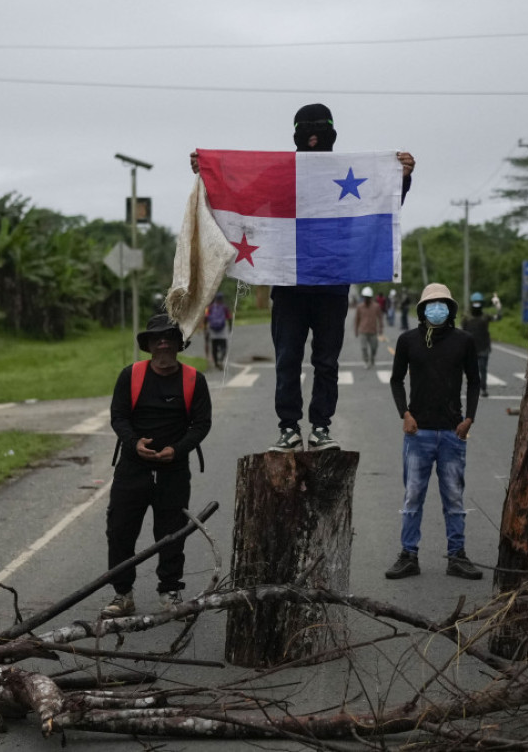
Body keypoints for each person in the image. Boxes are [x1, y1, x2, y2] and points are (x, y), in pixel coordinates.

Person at [191, 104, 415, 453]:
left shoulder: (350, 172)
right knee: (288, 361)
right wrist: (209, 173)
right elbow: (242, 196)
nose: (313, 136)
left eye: (319, 130)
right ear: (296, 133)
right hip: (288, 287)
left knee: (326, 363)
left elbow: (381, 202)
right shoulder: (280, 174)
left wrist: (402, 177)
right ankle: (289, 428)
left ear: (331, 132)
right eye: (306, 130)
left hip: (332, 286)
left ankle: (321, 427)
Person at [101, 314, 212, 618]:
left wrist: (177, 450)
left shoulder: (194, 380)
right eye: (156, 338)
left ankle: (170, 591)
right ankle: (123, 595)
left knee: (172, 533)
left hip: (173, 470)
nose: (163, 342)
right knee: (120, 530)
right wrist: (134, 443)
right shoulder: (131, 376)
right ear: (149, 345)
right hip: (132, 468)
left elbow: (201, 424)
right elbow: (118, 417)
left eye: (169, 337)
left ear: (178, 344)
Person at [386, 283, 483, 580]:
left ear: (450, 309)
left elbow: (474, 381)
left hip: (453, 433)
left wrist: (469, 419)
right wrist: (405, 414)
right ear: (423, 309)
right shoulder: (407, 341)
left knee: (454, 498)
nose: (437, 308)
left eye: (442, 303)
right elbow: (396, 380)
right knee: (413, 497)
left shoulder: (464, 341)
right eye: (432, 303)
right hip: (419, 434)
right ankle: (408, 555)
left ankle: (457, 556)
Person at [461, 292, 499, 397]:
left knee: (482, 369)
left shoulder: (486, 316)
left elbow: (498, 317)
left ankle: (483, 389)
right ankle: (472, 389)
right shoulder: (466, 318)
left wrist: (497, 305)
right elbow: (462, 332)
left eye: (478, 303)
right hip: (470, 348)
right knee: (470, 370)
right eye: (475, 302)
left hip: (483, 347)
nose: (477, 305)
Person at [354, 286, 383, 369]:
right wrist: (356, 330)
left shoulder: (376, 306)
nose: (366, 299)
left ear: (371, 297)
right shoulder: (359, 307)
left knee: (374, 348)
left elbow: (380, 318)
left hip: (373, 331)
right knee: (364, 348)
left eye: (368, 297)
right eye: (365, 297)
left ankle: (372, 358)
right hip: (363, 331)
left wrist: (381, 328)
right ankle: (366, 361)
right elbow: (357, 319)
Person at [204, 292, 232, 369]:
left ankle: (216, 363)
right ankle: (221, 359)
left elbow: (206, 318)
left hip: (213, 330)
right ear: (222, 299)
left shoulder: (209, 308)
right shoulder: (225, 308)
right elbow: (229, 318)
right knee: (224, 346)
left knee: (214, 347)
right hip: (222, 330)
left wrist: (205, 328)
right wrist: (230, 328)